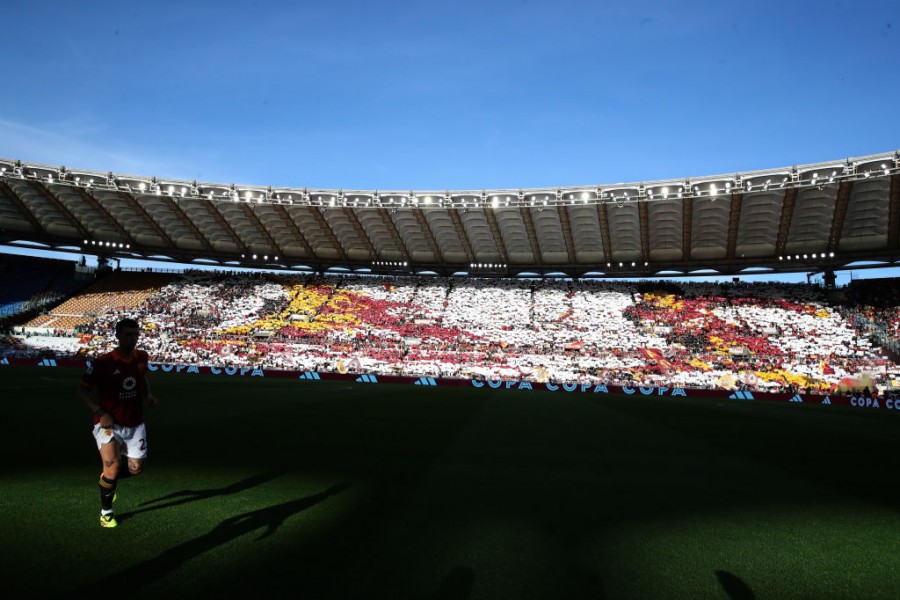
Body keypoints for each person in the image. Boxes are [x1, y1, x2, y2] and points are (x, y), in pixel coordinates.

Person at [77, 318, 158, 528]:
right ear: (118, 335)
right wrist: (100, 411)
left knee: (135, 469)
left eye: (135, 334)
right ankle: (106, 513)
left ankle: (109, 485)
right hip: (108, 424)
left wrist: (148, 394)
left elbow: (143, 377)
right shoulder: (103, 362)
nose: (133, 338)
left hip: (135, 423)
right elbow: (82, 391)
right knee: (112, 467)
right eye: (128, 334)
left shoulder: (142, 357)